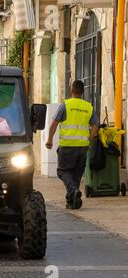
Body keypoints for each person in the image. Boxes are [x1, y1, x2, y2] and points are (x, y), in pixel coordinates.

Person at [46, 80, 99, 210]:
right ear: (82, 92)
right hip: (82, 147)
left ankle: (74, 190)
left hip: (67, 146)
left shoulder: (65, 105)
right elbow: (95, 125)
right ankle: (73, 201)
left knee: (62, 171)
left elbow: (54, 124)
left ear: (71, 90)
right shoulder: (88, 107)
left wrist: (49, 139)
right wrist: (90, 138)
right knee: (76, 174)